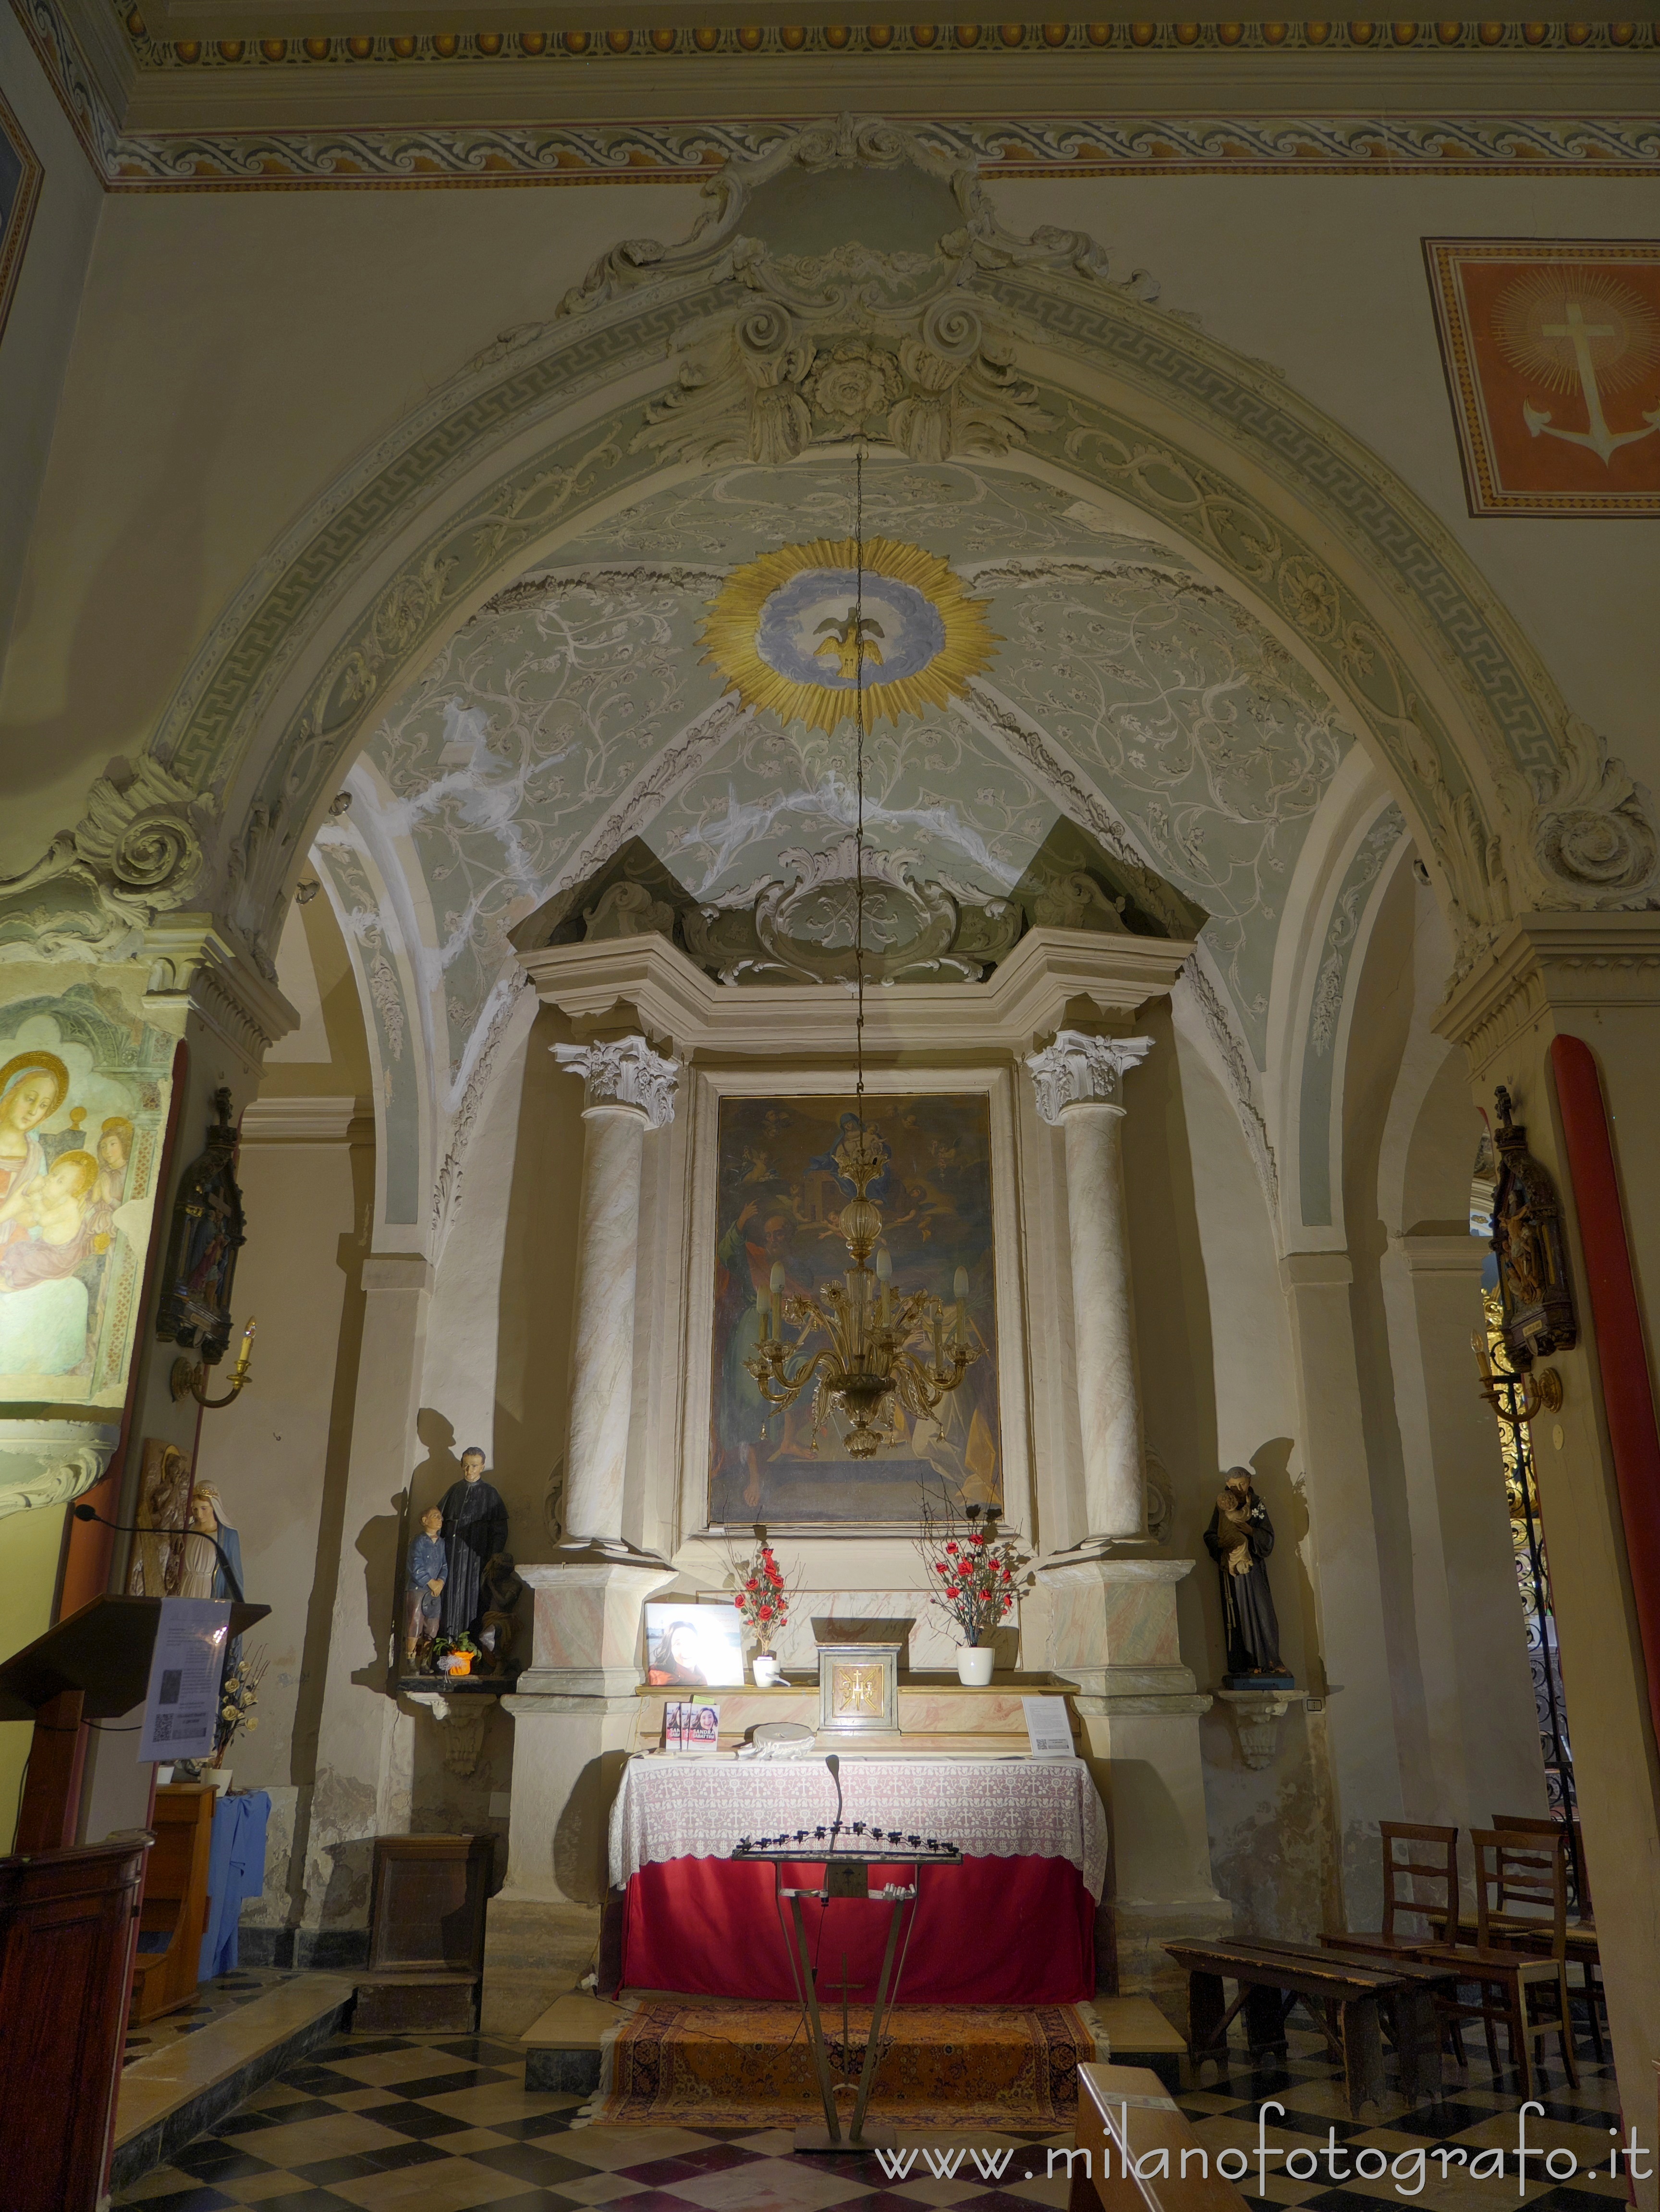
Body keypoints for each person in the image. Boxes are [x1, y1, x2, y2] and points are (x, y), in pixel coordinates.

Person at [1204, 1467, 1288, 1683]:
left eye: (1242, 1484)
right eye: (1234, 1486)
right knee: (1239, 1614)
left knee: (1264, 1611)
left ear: (1249, 1482)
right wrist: (1223, 1544)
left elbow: (1268, 1538)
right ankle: (1248, 1664)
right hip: (1233, 1571)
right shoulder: (1222, 1505)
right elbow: (1211, 1535)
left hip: (1254, 1567)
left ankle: (1271, 1660)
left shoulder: (1257, 1504)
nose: (1239, 1489)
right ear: (1228, 1486)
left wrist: (1251, 1532)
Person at [0, 1149, 99, 1289]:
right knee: (18, 1248)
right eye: (53, 1174)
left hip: (59, 1257)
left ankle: (13, 1285)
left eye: (60, 1181)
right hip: (44, 1246)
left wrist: (37, 1202)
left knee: (30, 1262)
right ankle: (4, 1271)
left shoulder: (70, 1205)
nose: (51, 1179)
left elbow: (43, 1220)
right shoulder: (55, 1199)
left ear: (71, 1191)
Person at [438, 1448, 508, 1641]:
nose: (470, 1471)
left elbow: (500, 1531)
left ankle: (471, 1645)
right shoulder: (454, 1491)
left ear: (482, 1467)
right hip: (452, 1556)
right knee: (450, 1597)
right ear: (462, 1465)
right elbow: (438, 1523)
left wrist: (492, 1558)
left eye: (475, 1466)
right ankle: (447, 1643)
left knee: (475, 1598)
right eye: (467, 1466)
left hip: (478, 1558)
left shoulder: (490, 1493)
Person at [404, 1507, 447, 1670]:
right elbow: (415, 1564)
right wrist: (430, 1582)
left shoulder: (441, 1543)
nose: (440, 1520)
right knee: (415, 1622)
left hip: (435, 1592)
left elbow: (444, 1565)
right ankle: (411, 1660)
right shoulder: (419, 1541)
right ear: (425, 1521)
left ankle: (425, 1661)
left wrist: (441, 1582)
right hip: (419, 1588)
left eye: (441, 1517)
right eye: (435, 1516)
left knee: (432, 1626)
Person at [647, 1618, 708, 1687]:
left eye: (691, 1642)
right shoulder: (665, 1681)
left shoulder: (699, 1676)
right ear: (670, 1649)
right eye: (678, 1644)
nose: (686, 1650)